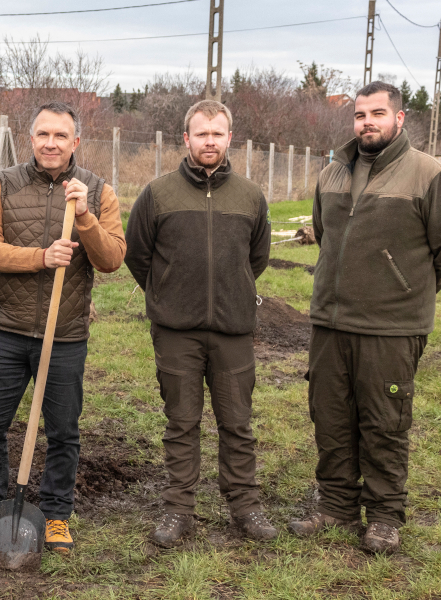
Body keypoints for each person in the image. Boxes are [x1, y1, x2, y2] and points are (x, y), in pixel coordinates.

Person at [289, 81, 441, 554]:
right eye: (359, 115)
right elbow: (327, 233)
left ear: (399, 118)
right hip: (331, 323)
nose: (366, 122)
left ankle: (386, 515)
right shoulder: (332, 172)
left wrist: (408, 290)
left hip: (391, 328)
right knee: (330, 417)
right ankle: (335, 504)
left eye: (377, 113)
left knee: (384, 421)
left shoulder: (428, 174)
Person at [0, 101, 126, 554]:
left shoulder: (99, 192)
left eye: (60, 136)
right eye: (43, 134)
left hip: (64, 337)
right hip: (7, 329)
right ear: (31, 139)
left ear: (75, 142)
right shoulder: (4, 184)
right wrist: (40, 258)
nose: (51, 143)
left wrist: (83, 217)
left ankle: (58, 515)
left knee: (63, 431)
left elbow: (112, 261)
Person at [123, 100, 275, 548]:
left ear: (231, 138)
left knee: (237, 423)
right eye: (201, 133)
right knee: (181, 423)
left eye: (218, 133)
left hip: (233, 330)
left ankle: (245, 506)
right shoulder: (158, 194)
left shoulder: (250, 196)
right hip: (176, 331)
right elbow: (138, 254)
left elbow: (258, 257)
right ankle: (178, 509)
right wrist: (168, 292)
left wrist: (232, 289)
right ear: (185, 139)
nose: (209, 141)